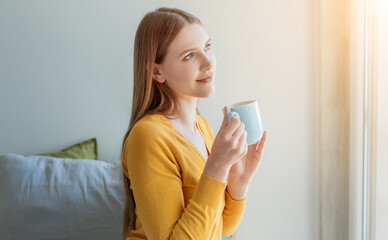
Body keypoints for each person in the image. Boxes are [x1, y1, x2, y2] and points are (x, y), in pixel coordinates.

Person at [121, 7, 268, 240]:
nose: (208, 62)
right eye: (189, 56)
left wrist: (239, 183)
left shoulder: (202, 126)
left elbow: (218, 230)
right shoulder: (148, 136)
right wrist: (217, 166)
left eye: (207, 47)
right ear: (157, 71)